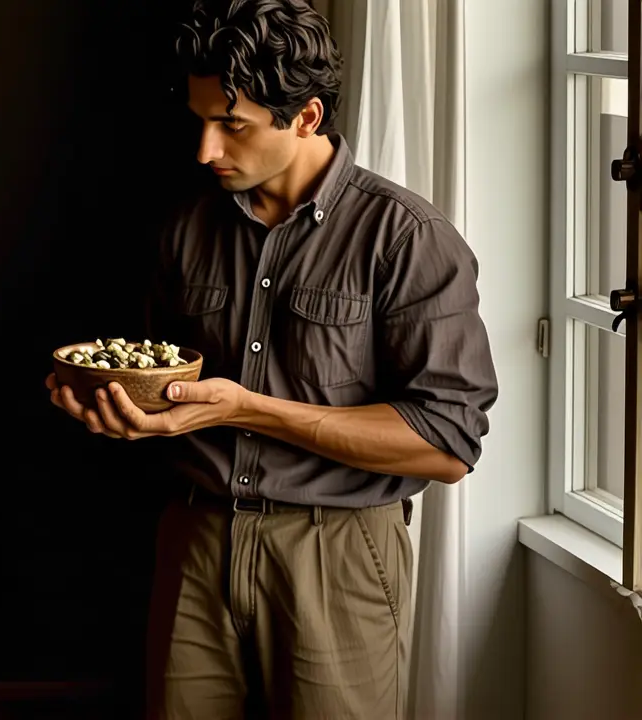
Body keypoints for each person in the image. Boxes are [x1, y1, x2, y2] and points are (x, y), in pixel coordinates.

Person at [45, 0, 498, 717]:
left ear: (307, 118)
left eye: (232, 126)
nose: (204, 150)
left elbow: (448, 444)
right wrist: (123, 414)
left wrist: (251, 409)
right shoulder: (186, 228)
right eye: (198, 120)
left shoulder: (407, 239)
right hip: (193, 540)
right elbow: (164, 381)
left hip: (338, 556)